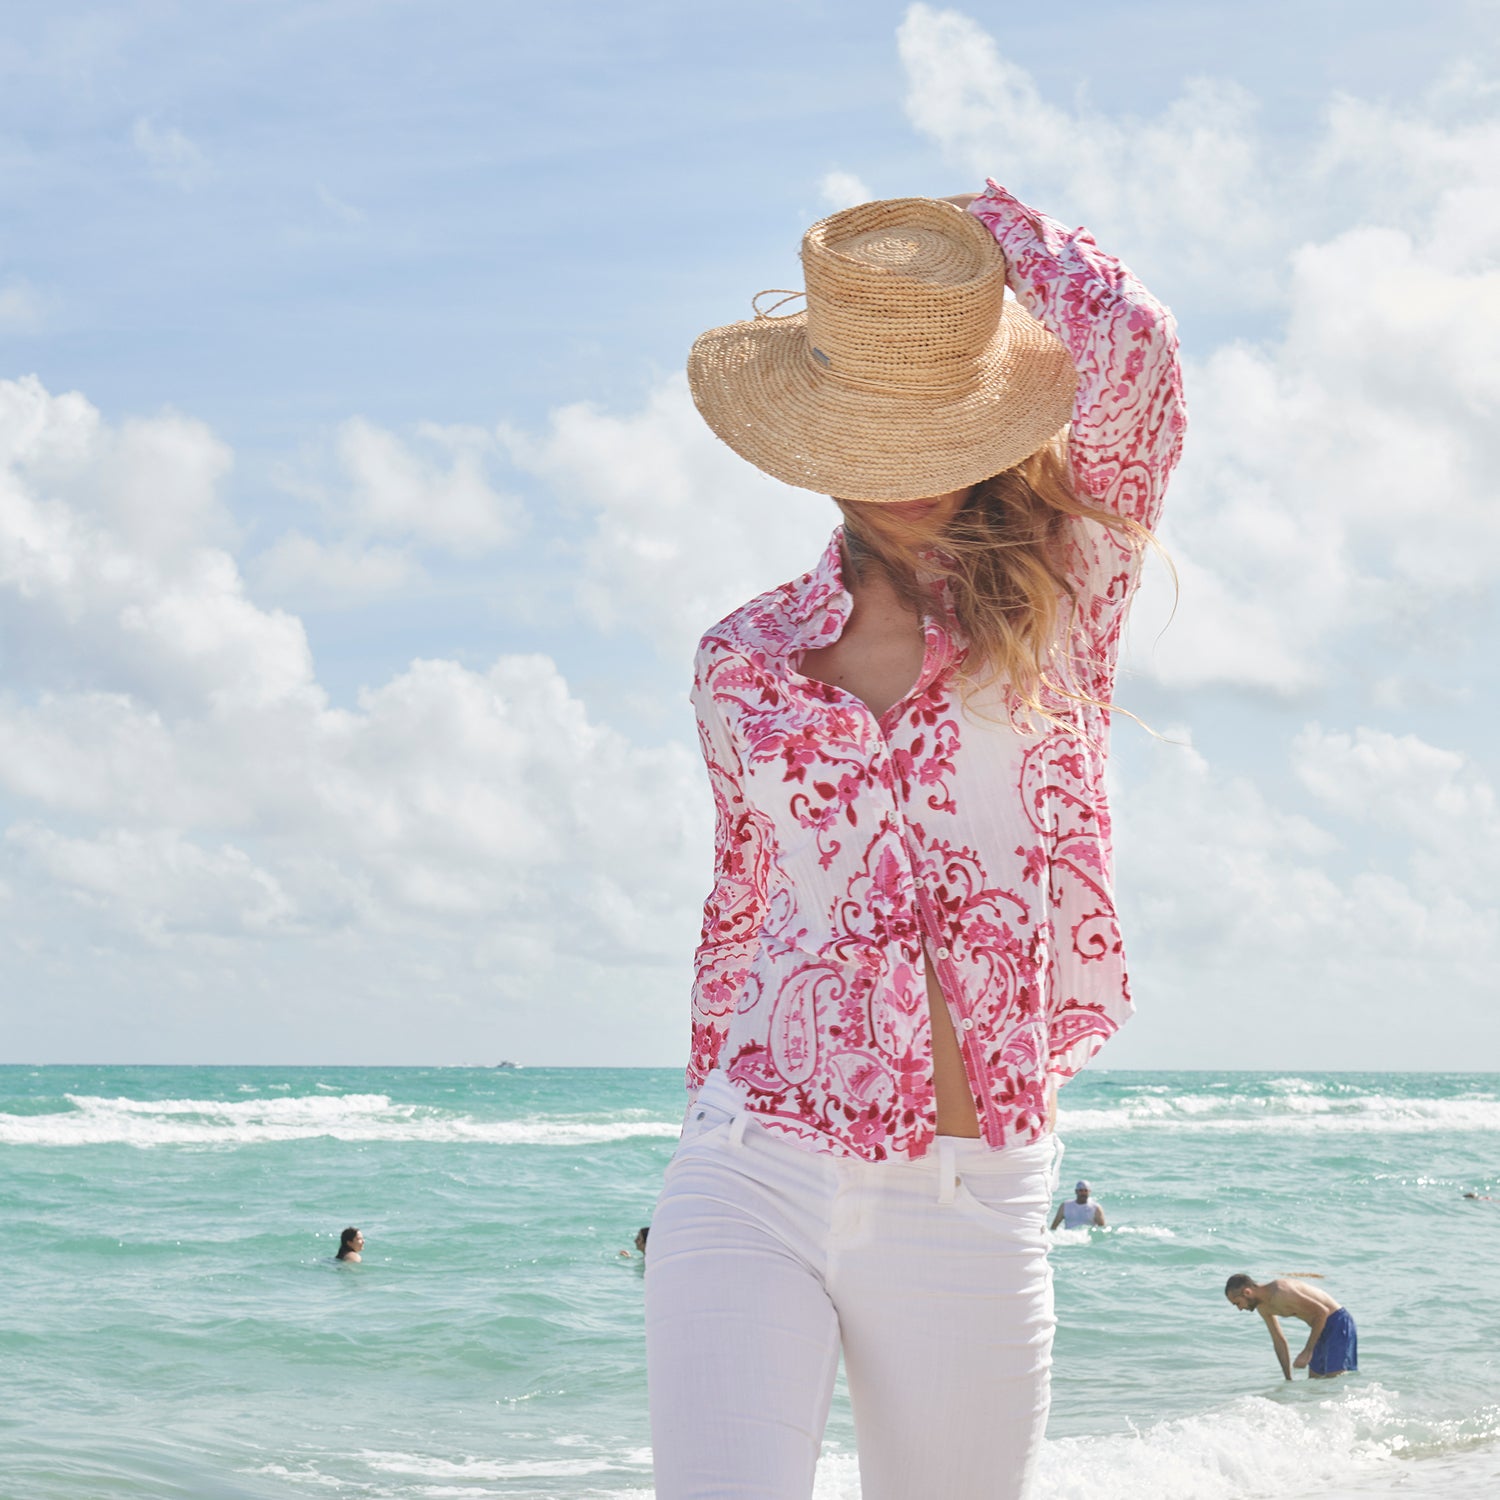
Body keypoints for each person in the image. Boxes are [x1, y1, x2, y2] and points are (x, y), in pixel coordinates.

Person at [646, 177, 1184, 1500]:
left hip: (970, 1191)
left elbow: (1141, 358)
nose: (914, 479)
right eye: (879, 436)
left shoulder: (1064, 603)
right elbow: (739, 920)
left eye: (941, 427)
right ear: (817, 444)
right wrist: (710, 1099)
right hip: (746, 1162)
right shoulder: (742, 663)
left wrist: (953, 244)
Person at [1224, 1274, 1358, 1380]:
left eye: (1237, 1303)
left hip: (1338, 1322)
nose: (1239, 1309)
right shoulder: (1264, 1308)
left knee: (1334, 1380)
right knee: (1315, 1384)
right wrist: (1288, 1378)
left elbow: (1322, 1311)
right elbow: (1279, 1341)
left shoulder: (1281, 1291)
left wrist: (1307, 1351)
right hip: (1318, 1329)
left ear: (1247, 1292)